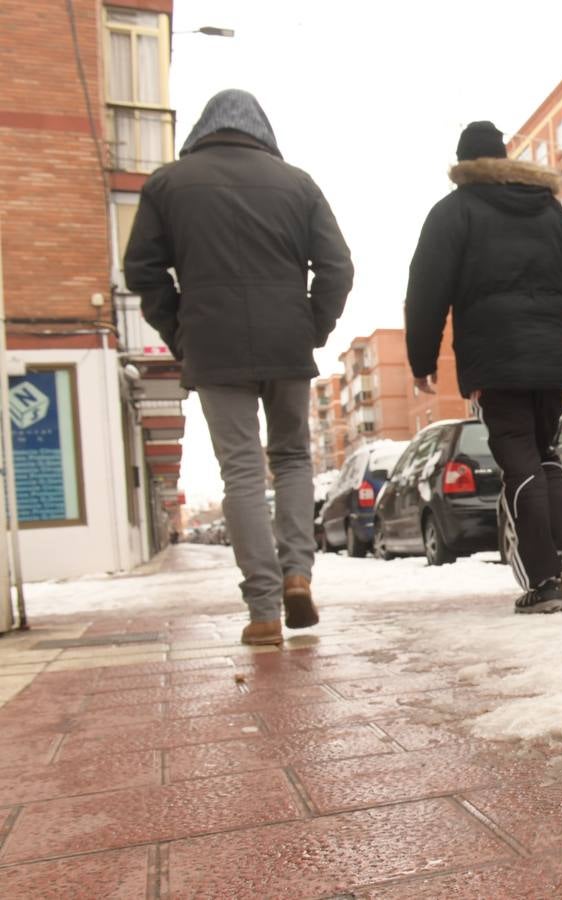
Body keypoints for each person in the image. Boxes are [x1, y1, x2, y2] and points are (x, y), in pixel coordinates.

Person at [124, 89, 354, 645]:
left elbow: (143, 271)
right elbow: (337, 268)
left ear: (205, 129)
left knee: (242, 472)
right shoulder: (298, 184)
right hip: (286, 340)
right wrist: (312, 327)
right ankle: (298, 572)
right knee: (294, 458)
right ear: (262, 132)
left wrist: (178, 332)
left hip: (212, 342)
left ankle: (264, 610)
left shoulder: (167, 184)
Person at [405, 121, 562, 614]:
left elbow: (425, 293)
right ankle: (561, 554)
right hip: (550, 361)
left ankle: (544, 578)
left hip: (495, 363)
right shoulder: (554, 215)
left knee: (517, 457)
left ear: (464, 167)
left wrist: (422, 360)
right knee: (544, 452)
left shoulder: (452, 214)